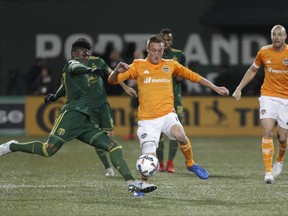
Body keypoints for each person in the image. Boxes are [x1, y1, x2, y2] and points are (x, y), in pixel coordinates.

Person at [0, 38, 157, 195]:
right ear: (74, 53)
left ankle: (131, 182)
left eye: (88, 54)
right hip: (72, 115)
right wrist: (90, 71)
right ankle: (12, 146)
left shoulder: (86, 66)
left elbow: (65, 86)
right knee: (48, 150)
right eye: (83, 53)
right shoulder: (72, 64)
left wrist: (55, 96)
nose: (86, 57)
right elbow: (75, 67)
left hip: (85, 120)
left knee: (114, 146)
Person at [108, 35, 230, 182]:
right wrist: (116, 71)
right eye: (153, 50)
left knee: (181, 136)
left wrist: (215, 87)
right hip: (148, 120)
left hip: (167, 115)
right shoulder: (138, 65)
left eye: (160, 50)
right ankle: (142, 184)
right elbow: (112, 81)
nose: (157, 54)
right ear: (147, 50)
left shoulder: (170, 64)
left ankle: (190, 164)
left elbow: (192, 76)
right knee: (149, 158)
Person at [45, 55, 137, 177]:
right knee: (98, 138)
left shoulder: (98, 61)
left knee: (109, 137)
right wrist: (55, 97)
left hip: (103, 105)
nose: (84, 54)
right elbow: (64, 86)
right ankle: (108, 167)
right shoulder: (73, 66)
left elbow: (112, 74)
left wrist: (125, 87)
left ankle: (117, 166)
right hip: (87, 108)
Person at [232, 24, 288, 184]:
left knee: (283, 138)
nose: (276, 37)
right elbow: (252, 70)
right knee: (268, 131)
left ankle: (279, 159)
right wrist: (239, 88)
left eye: (279, 34)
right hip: (268, 96)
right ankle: (268, 172)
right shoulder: (264, 52)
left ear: (285, 37)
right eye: (273, 34)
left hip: (286, 100)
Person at [156, 28, 186, 173]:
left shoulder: (179, 55)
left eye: (169, 40)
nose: (167, 42)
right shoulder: (154, 56)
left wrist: (171, 71)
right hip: (159, 99)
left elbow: (182, 76)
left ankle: (170, 163)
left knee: (177, 130)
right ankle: (160, 163)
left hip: (175, 98)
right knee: (159, 132)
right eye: (164, 39)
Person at [123, 49, 145, 141]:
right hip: (136, 92)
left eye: (139, 55)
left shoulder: (147, 65)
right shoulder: (132, 67)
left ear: (143, 56)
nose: (137, 57)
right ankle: (131, 133)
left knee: (145, 115)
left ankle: (146, 134)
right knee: (130, 114)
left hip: (145, 92)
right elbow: (130, 82)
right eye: (135, 55)